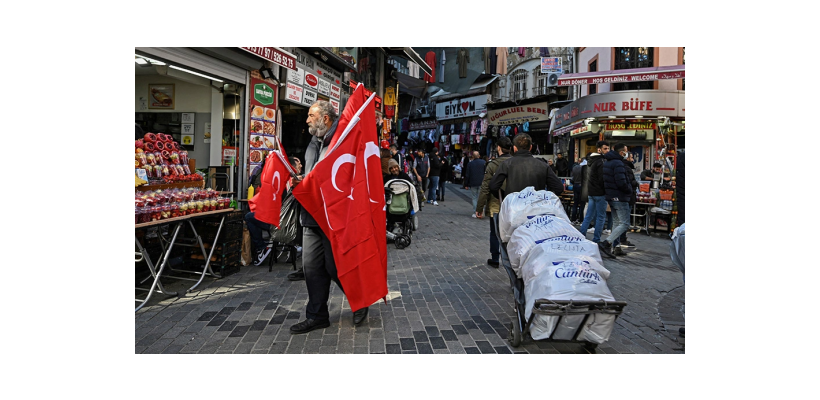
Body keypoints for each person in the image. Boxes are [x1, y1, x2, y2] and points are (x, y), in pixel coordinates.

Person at [289, 99, 368, 334]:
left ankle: (360, 298)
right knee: (311, 268)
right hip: (310, 214)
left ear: (325, 118)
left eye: (311, 116)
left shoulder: (341, 139)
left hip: (333, 216)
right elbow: (314, 174)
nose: (306, 120)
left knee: (334, 267)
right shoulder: (314, 140)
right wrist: (299, 178)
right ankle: (317, 316)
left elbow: (344, 176)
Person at [488, 133, 564, 200]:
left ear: (514, 148)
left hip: (514, 209)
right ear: (530, 147)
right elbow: (559, 188)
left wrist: (507, 197)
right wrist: (544, 198)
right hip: (535, 208)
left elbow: (493, 186)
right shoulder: (542, 165)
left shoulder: (506, 164)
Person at [475, 136, 513, 267]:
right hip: (514, 204)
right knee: (512, 232)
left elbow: (485, 187)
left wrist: (479, 208)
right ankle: (512, 259)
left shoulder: (493, 164)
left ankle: (495, 258)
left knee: (495, 232)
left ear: (498, 148)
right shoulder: (516, 163)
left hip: (495, 204)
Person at [597, 143, 634, 259]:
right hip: (620, 196)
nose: (626, 153)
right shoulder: (618, 163)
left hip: (611, 196)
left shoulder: (608, 162)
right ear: (621, 152)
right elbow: (621, 182)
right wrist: (629, 190)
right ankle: (606, 243)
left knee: (617, 222)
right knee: (624, 223)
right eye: (626, 151)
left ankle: (613, 246)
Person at [577, 140, 611, 244]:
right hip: (600, 193)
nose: (607, 150)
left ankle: (581, 236)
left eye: (608, 148)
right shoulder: (601, 161)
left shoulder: (590, 161)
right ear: (599, 149)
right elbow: (602, 178)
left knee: (589, 216)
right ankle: (596, 239)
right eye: (605, 148)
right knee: (601, 217)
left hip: (591, 193)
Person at [614, 152, 639, 255]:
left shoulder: (623, 166)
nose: (632, 159)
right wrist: (635, 184)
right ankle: (613, 242)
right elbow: (626, 182)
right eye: (632, 157)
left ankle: (616, 243)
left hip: (622, 197)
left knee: (619, 222)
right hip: (625, 197)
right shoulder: (625, 167)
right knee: (623, 222)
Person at [464, 150, 486, 217]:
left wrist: (466, 184)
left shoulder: (470, 164)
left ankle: (475, 212)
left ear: (473, 156)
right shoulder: (484, 162)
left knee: (474, 197)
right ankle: (481, 212)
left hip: (473, 182)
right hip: (482, 182)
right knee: (481, 197)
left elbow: (467, 175)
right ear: (479, 156)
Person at [569, 156, 587, 224]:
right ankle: (581, 219)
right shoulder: (585, 168)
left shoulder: (575, 168)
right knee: (582, 204)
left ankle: (573, 219)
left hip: (575, 185)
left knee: (575, 203)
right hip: (582, 186)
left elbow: (572, 178)